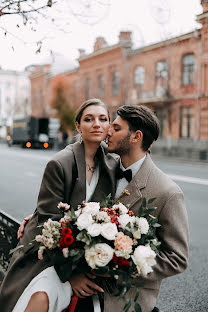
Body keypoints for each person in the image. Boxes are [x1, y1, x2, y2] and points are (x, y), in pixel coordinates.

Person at [0, 98, 118, 312]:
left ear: (109, 125)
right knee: (41, 295)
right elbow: (48, 221)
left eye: (103, 119)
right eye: (89, 119)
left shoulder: (112, 164)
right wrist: (71, 274)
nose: (97, 124)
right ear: (78, 126)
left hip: (83, 252)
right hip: (48, 252)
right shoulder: (60, 163)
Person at [102, 105, 189, 312]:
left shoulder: (168, 192)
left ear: (136, 137)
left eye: (116, 128)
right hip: (83, 288)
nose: (108, 131)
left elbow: (177, 258)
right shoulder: (103, 169)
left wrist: (121, 267)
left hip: (125, 299)